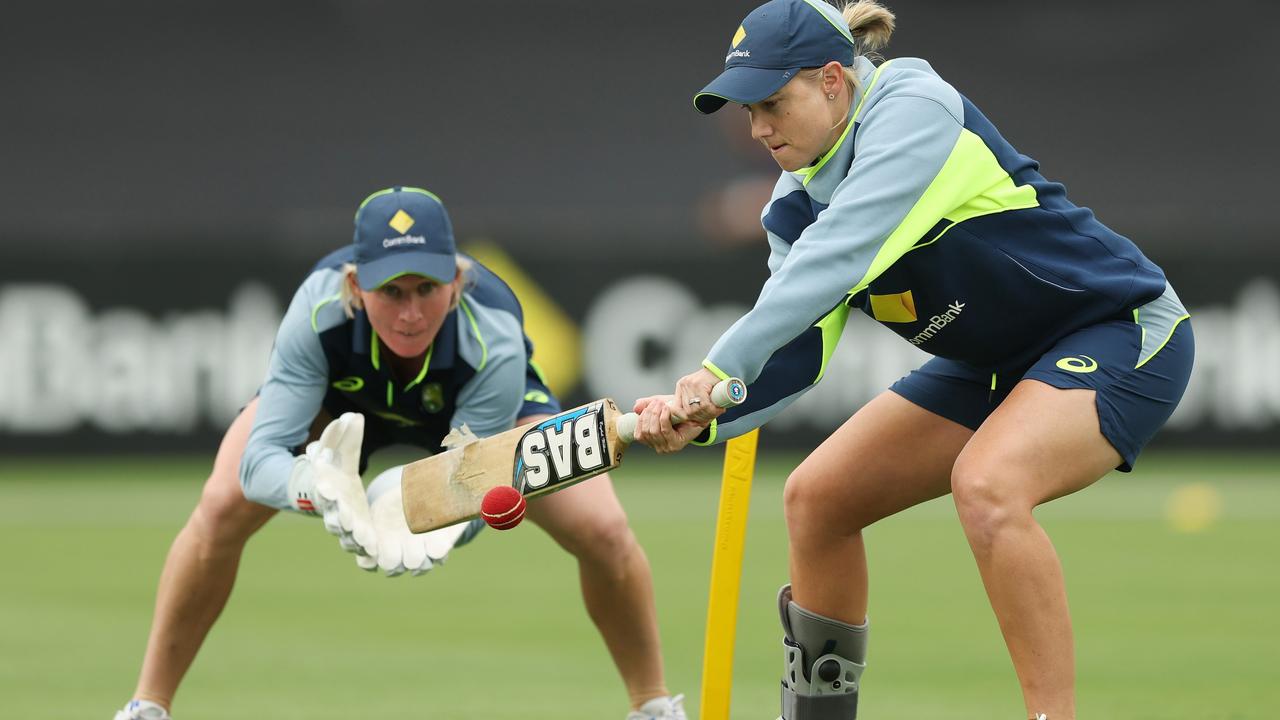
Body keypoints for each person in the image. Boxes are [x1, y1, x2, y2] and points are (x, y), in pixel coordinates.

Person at [629, 2, 1194, 719]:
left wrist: (714, 366)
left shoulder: (913, 108)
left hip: (1117, 329)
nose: (759, 128)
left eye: (773, 103)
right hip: (992, 365)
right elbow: (797, 349)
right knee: (817, 499)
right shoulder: (791, 206)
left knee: (987, 484)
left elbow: (841, 254)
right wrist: (703, 414)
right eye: (748, 111)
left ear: (833, 80)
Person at [114, 187, 686, 720]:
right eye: (390, 291)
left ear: (457, 282)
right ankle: (147, 708)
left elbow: (469, 483)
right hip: (337, 403)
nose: (410, 313)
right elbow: (257, 461)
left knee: (606, 530)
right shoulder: (317, 316)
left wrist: (426, 528)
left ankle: (653, 707)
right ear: (355, 285)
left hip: (476, 421)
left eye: (427, 289)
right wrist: (316, 489)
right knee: (218, 507)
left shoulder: (495, 339)